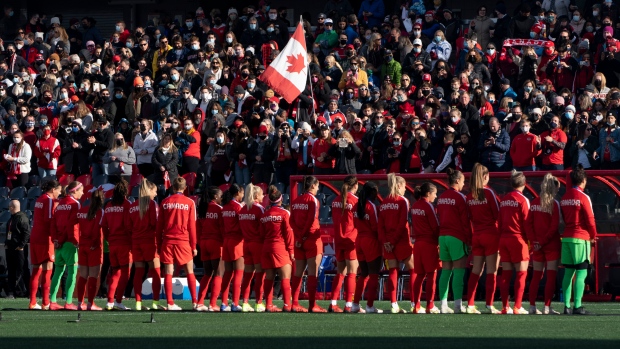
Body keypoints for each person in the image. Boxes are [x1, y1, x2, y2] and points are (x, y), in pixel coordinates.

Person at [560, 165, 597, 315]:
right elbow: (590, 219)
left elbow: (563, 217)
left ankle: (567, 306)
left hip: (567, 237)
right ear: (583, 180)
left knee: (568, 272)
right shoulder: (583, 197)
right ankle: (578, 306)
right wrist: (593, 236)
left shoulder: (564, 197)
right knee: (582, 272)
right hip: (580, 238)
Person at [464, 163, 501, 314]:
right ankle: (489, 304)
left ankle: (470, 304)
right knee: (492, 271)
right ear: (485, 177)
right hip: (491, 234)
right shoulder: (489, 193)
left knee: (476, 271)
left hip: (477, 235)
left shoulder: (469, 196)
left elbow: (470, 217)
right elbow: (498, 214)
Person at [157, 177, 198, 311]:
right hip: (183, 241)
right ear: (185, 188)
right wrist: (194, 246)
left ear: (173, 187)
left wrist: (158, 244)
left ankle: (170, 302)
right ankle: (195, 302)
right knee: (189, 271)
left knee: (168, 272)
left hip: (168, 240)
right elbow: (192, 226)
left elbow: (159, 226)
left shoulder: (165, 202)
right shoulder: (190, 202)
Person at [436, 168, 471, 314]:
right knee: (459, 271)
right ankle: (457, 305)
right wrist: (469, 240)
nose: (464, 184)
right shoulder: (460, 197)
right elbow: (465, 221)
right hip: (456, 236)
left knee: (445, 271)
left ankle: (443, 305)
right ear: (457, 181)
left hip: (443, 237)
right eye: (463, 181)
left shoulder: (441, 197)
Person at [378, 173, 413, 313]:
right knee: (414, 270)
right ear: (399, 185)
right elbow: (402, 222)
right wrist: (392, 241)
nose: (405, 189)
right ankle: (414, 303)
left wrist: (386, 241)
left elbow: (380, 225)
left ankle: (394, 304)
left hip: (388, 242)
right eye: (404, 186)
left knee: (393, 271)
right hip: (401, 240)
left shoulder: (384, 202)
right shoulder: (402, 200)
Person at [526, 173, 561, 315]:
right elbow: (554, 227)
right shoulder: (554, 204)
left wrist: (534, 241)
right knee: (551, 276)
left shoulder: (534, 203)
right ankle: (547, 307)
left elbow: (528, 224)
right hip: (550, 244)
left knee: (536, 275)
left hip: (537, 245)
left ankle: (532, 306)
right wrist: (542, 242)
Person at [290, 176, 326, 313]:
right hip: (310, 239)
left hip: (299, 240)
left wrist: (299, 237)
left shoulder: (296, 201)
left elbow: (291, 221)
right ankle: (312, 305)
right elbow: (311, 220)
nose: (318, 189)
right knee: (312, 272)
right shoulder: (313, 201)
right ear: (312, 186)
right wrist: (304, 236)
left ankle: (294, 303)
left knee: (298, 271)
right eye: (317, 186)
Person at [498, 170, 530, 315]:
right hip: (518, 239)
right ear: (524, 184)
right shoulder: (523, 200)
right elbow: (527, 222)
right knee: (521, 274)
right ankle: (517, 306)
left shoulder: (504, 199)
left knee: (506, 274)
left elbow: (499, 220)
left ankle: (505, 307)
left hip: (504, 238)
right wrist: (531, 241)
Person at [128, 179, 163, 311]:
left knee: (138, 272)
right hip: (150, 241)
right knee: (156, 272)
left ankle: (138, 303)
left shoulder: (132, 206)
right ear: (149, 190)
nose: (155, 194)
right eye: (154, 191)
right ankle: (155, 303)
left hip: (136, 241)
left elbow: (129, 226)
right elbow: (156, 224)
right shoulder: (152, 204)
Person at [49, 181, 84, 310]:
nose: (83, 193)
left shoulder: (59, 204)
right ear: (74, 191)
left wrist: (56, 240)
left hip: (58, 243)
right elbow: (71, 226)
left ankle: (52, 301)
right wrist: (75, 242)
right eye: (81, 190)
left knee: (58, 272)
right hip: (69, 242)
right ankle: (68, 302)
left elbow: (53, 223)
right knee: (72, 272)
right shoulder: (75, 204)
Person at [259, 185, 295, 312]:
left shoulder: (264, 215)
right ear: (281, 199)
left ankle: (268, 304)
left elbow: (261, 234)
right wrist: (291, 251)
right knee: (285, 277)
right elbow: (288, 234)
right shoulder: (285, 213)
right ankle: (287, 305)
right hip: (280, 248)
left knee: (269, 277)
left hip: (266, 248)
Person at [28, 180, 62, 309]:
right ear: (53, 189)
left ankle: (32, 302)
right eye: (59, 190)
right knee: (47, 270)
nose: (59, 193)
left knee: (36, 271)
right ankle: (46, 302)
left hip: (35, 237)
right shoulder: (48, 200)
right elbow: (49, 220)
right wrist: (55, 238)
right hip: (45, 239)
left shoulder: (39, 199)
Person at [328, 175, 359, 313]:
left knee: (340, 272)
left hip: (338, 239)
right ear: (356, 186)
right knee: (352, 273)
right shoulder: (355, 201)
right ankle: (348, 305)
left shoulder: (335, 200)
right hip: (351, 239)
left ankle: (333, 303)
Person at [101, 180, 133, 311]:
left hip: (112, 243)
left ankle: (109, 301)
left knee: (115, 272)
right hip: (124, 243)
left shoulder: (108, 205)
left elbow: (103, 225)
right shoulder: (127, 205)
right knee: (125, 273)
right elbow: (128, 225)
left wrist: (109, 238)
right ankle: (118, 301)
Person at [410, 182, 441, 314]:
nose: (436, 196)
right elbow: (435, 226)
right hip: (429, 243)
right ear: (428, 194)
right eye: (435, 193)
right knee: (431, 275)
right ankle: (430, 305)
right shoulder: (428, 206)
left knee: (419, 275)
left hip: (418, 244)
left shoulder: (415, 205)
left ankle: (416, 305)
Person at [196, 187, 225, 312]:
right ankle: (213, 304)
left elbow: (197, 229)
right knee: (218, 274)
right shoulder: (219, 209)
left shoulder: (202, 209)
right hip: (216, 243)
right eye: (220, 196)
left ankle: (200, 302)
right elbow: (222, 229)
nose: (222, 198)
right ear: (215, 197)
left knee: (207, 274)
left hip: (204, 243)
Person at [238, 184, 266, 312]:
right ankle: (259, 302)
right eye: (261, 194)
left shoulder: (243, 210)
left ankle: (244, 302)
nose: (263, 196)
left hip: (246, 244)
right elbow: (264, 228)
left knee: (248, 275)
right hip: (257, 244)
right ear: (256, 196)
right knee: (260, 274)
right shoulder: (259, 209)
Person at [76, 188, 105, 311]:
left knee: (83, 275)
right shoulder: (100, 212)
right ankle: (90, 303)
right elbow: (97, 229)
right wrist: (94, 242)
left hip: (82, 245)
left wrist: (76, 240)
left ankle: (79, 303)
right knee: (93, 276)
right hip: (94, 247)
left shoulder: (82, 210)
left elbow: (74, 225)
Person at [219, 184, 245, 311]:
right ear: (238, 192)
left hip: (227, 242)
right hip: (237, 242)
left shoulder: (224, 208)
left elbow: (222, 227)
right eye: (242, 192)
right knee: (238, 274)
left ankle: (224, 303)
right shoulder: (238, 207)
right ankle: (235, 303)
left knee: (227, 274)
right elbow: (243, 226)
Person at [5, 199, 30, 299]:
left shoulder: (22, 218)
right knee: (11, 270)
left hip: (19, 249)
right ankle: (12, 292)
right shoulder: (12, 218)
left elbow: (26, 233)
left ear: (12, 207)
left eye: (10, 206)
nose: (8, 208)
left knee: (22, 269)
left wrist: (21, 246)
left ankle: (27, 291)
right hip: (10, 248)